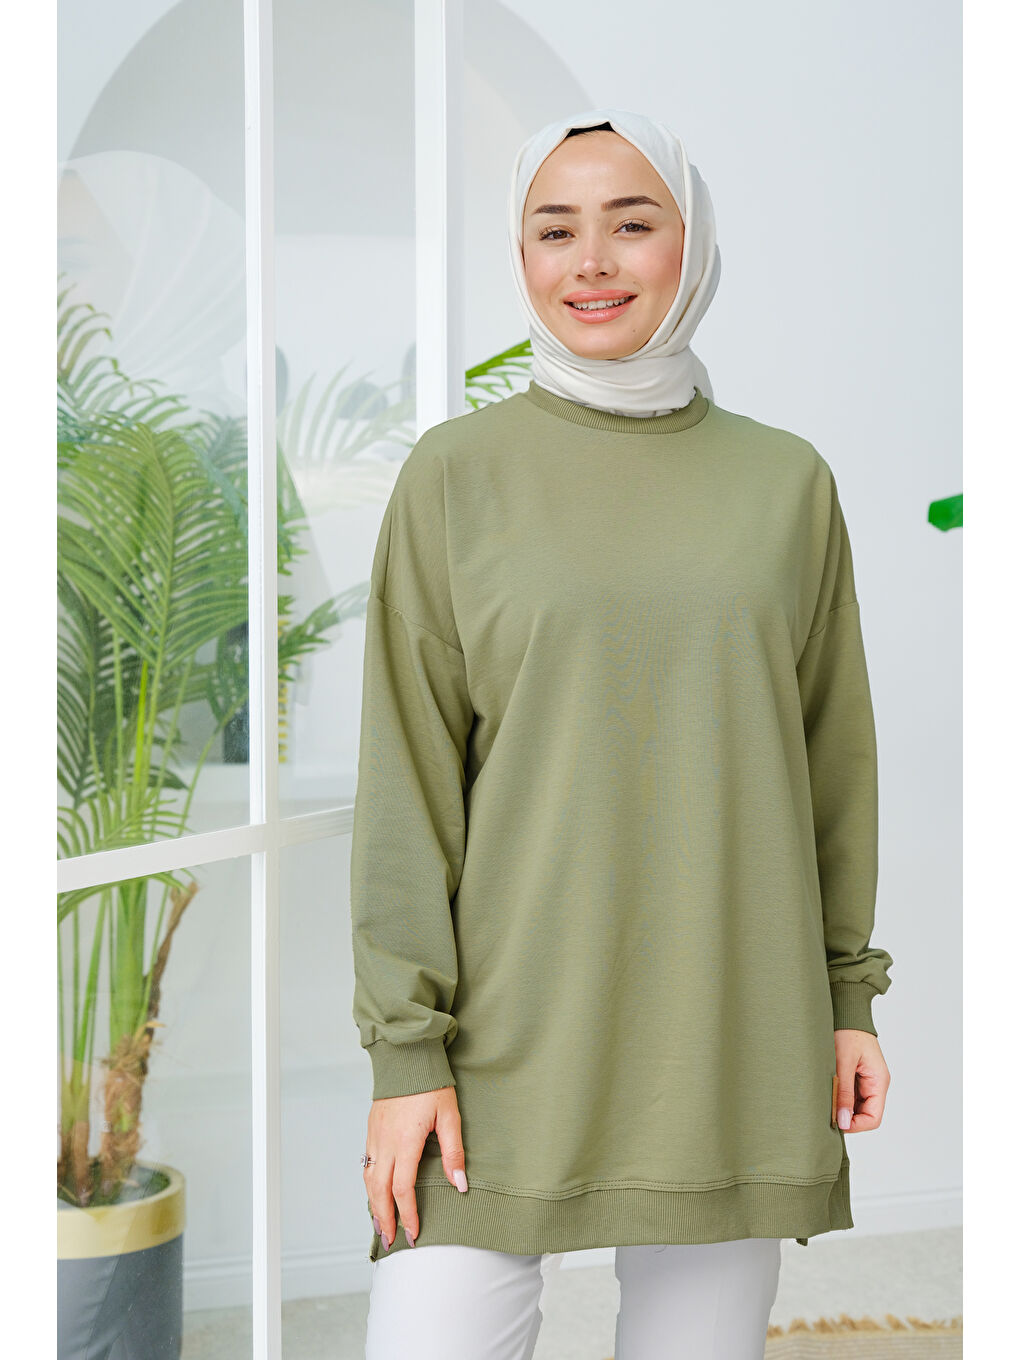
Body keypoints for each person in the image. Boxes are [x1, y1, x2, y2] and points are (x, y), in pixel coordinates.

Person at [350, 107, 894, 1359]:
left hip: (731, 1024)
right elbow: (408, 789)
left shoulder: (787, 483)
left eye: (631, 223)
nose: (590, 261)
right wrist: (405, 1053)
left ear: (691, 244)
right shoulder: (455, 475)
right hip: (498, 1039)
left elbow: (832, 764)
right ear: (522, 256)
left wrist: (846, 996)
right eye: (555, 230)